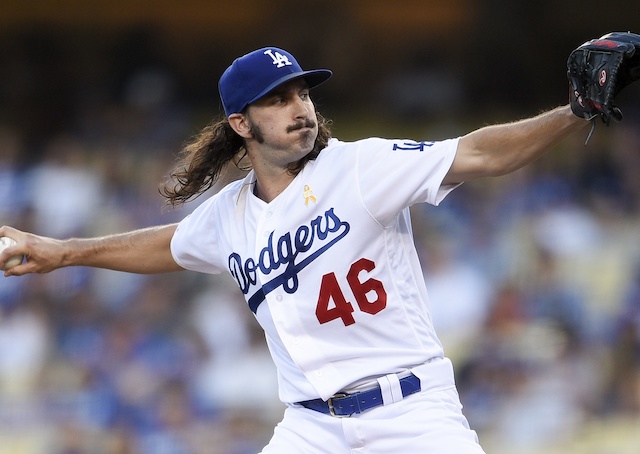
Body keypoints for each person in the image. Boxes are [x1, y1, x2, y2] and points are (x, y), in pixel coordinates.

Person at [0, 45, 595, 453]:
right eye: (277, 100)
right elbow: (166, 246)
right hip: (311, 428)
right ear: (241, 124)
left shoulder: (360, 166)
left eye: (302, 93)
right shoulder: (230, 214)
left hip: (411, 413)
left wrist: (576, 110)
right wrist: (65, 252)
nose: (300, 108)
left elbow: (482, 154)